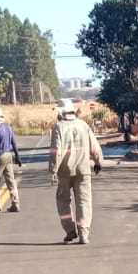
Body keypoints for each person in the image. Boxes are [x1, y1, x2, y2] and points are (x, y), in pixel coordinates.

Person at [48, 97, 103, 245]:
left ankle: (70, 230)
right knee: (84, 202)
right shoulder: (83, 125)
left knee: (63, 200)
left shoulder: (58, 127)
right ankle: (83, 234)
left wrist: (53, 170)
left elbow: (56, 151)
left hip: (64, 171)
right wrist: (98, 162)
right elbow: (94, 146)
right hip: (83, 169)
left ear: (60, 113)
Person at [0, 107, 21, 213]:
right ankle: (15, 203)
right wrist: (17, 155)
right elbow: (14, 142)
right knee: (11, 181)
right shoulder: (8, 127)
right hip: (9, 155)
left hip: (1, 155)